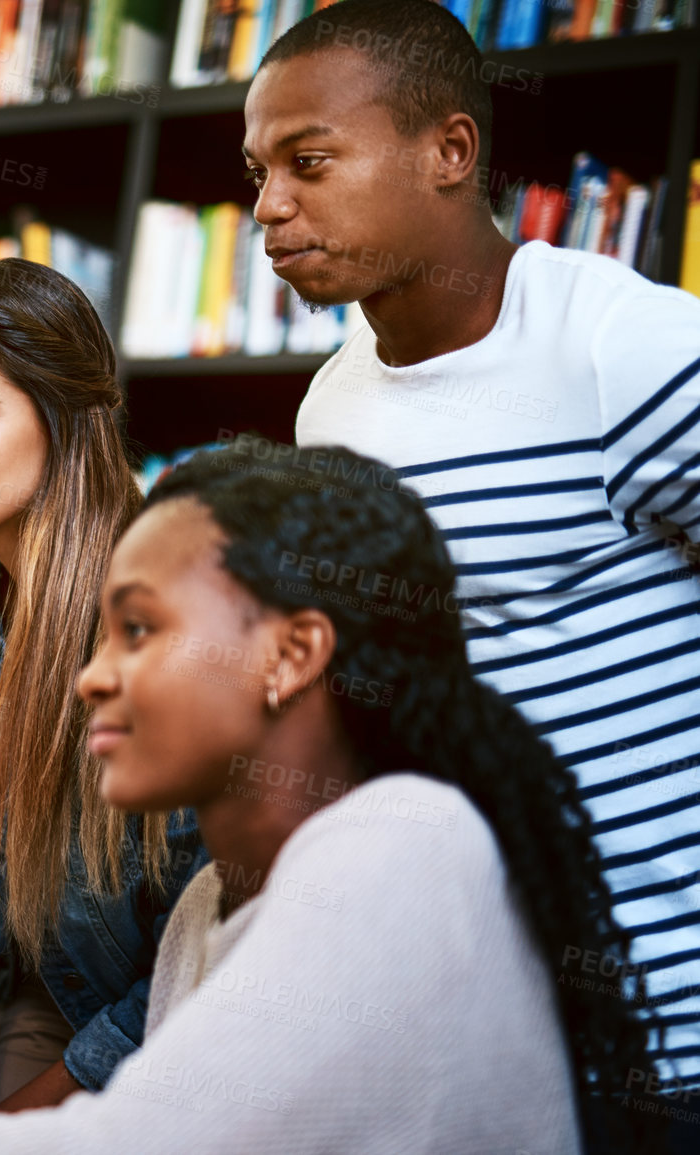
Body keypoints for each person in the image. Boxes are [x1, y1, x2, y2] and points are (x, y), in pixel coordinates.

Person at [0, 438, 660, 1154]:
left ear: (289, 654)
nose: (89, 679)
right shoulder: (205, 903)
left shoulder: (401, 844)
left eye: (140, 629)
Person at [244, 0, 700, 1089]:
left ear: (451, 150)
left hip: (676, 1034)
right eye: (258, 170)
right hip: (489, 1040)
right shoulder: (330, 412)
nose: (268, 206)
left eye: (310, 162)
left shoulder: (623, 346)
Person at [0, 260, 204, 1112]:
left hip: (186, 1019)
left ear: (62, 421)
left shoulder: (183, 616)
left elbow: (204, 945)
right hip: (53, 990)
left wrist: (33, 1114)